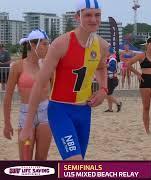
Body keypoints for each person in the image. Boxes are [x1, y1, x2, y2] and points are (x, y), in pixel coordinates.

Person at [19, 0, 109, 160]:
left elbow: (101, 68)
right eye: (88, 15)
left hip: (84, 111)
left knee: (77, 166)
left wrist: (103, 89)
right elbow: (39, 83)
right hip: (60, 110)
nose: (93, 20)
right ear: (77, 16)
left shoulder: (101, 45)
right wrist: (27, 125)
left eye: (97, 15)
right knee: (75, 162)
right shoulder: (61, 43)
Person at [3, 29, 52, 160]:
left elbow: (57, 92)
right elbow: (8, 96)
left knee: (42, 159)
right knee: (25, 159)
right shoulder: (18, 66)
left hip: (45, 113)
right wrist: (7, 123)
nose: (48, 47)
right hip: (25, 115)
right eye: (45, 44)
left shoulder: (48, 66)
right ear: (33, 45)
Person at [125, 37, 151, 135]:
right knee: (146, 107)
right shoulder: (141, 55)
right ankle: (147, 130)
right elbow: (128, 64)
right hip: (145, 81)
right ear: (147, 45)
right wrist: (138, 74)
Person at [104, 47, 122, 112]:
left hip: (111, 79)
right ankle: (110, 108)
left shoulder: (112, 59)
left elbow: (112, 68)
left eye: (106, 52)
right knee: (109, 94)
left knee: (107, 95)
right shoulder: (110, 59)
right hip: (110, 78)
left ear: (109, 52)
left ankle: (118, 103)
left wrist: (105, 65)